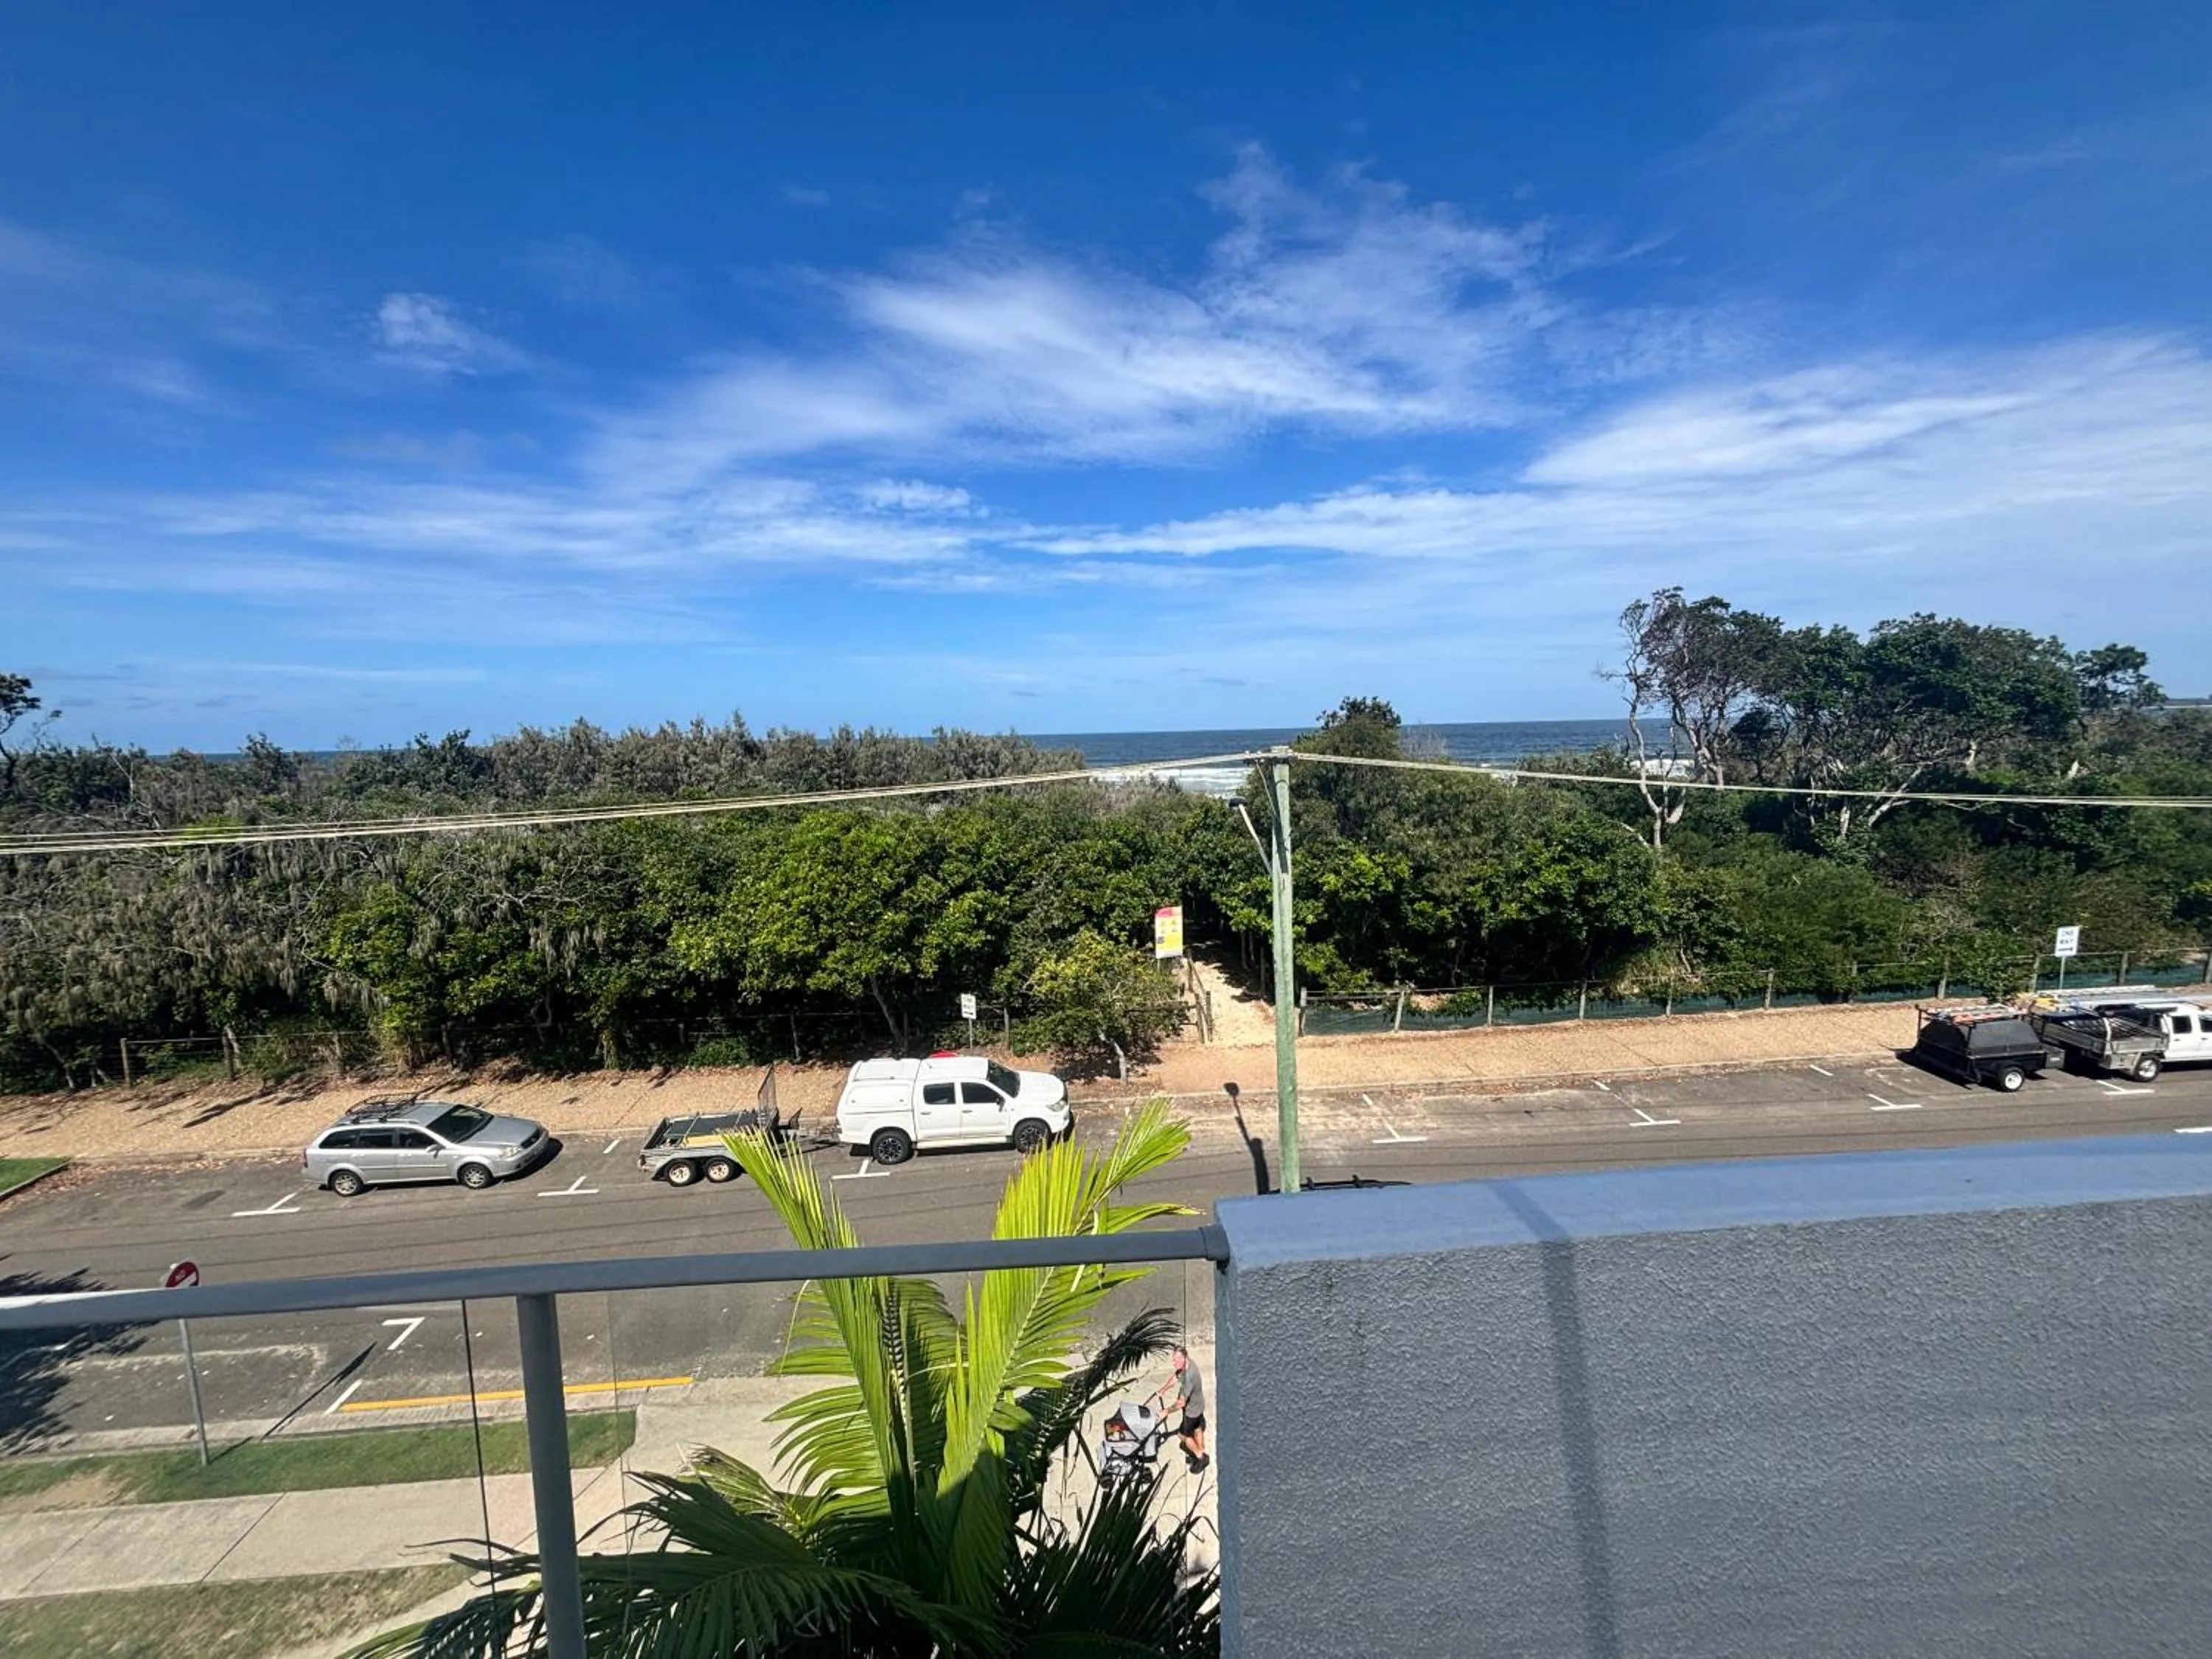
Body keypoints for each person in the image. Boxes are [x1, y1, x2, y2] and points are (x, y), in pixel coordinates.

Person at [1148, 1344, 1208, 1472]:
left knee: (1183, 1436)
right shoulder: (1188, 1365)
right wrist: (1163, 1390)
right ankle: (1200, 1449)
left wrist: (1166, 1411)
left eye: (1176, 1360)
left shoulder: (1189, 1379)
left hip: (1191, 1412)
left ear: (1184, 1358)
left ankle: (1200, 1457)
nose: (1173, 1363)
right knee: (1197, 1428)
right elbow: (1176, 1376)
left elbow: (1181, 1403)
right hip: (1199, 1405)